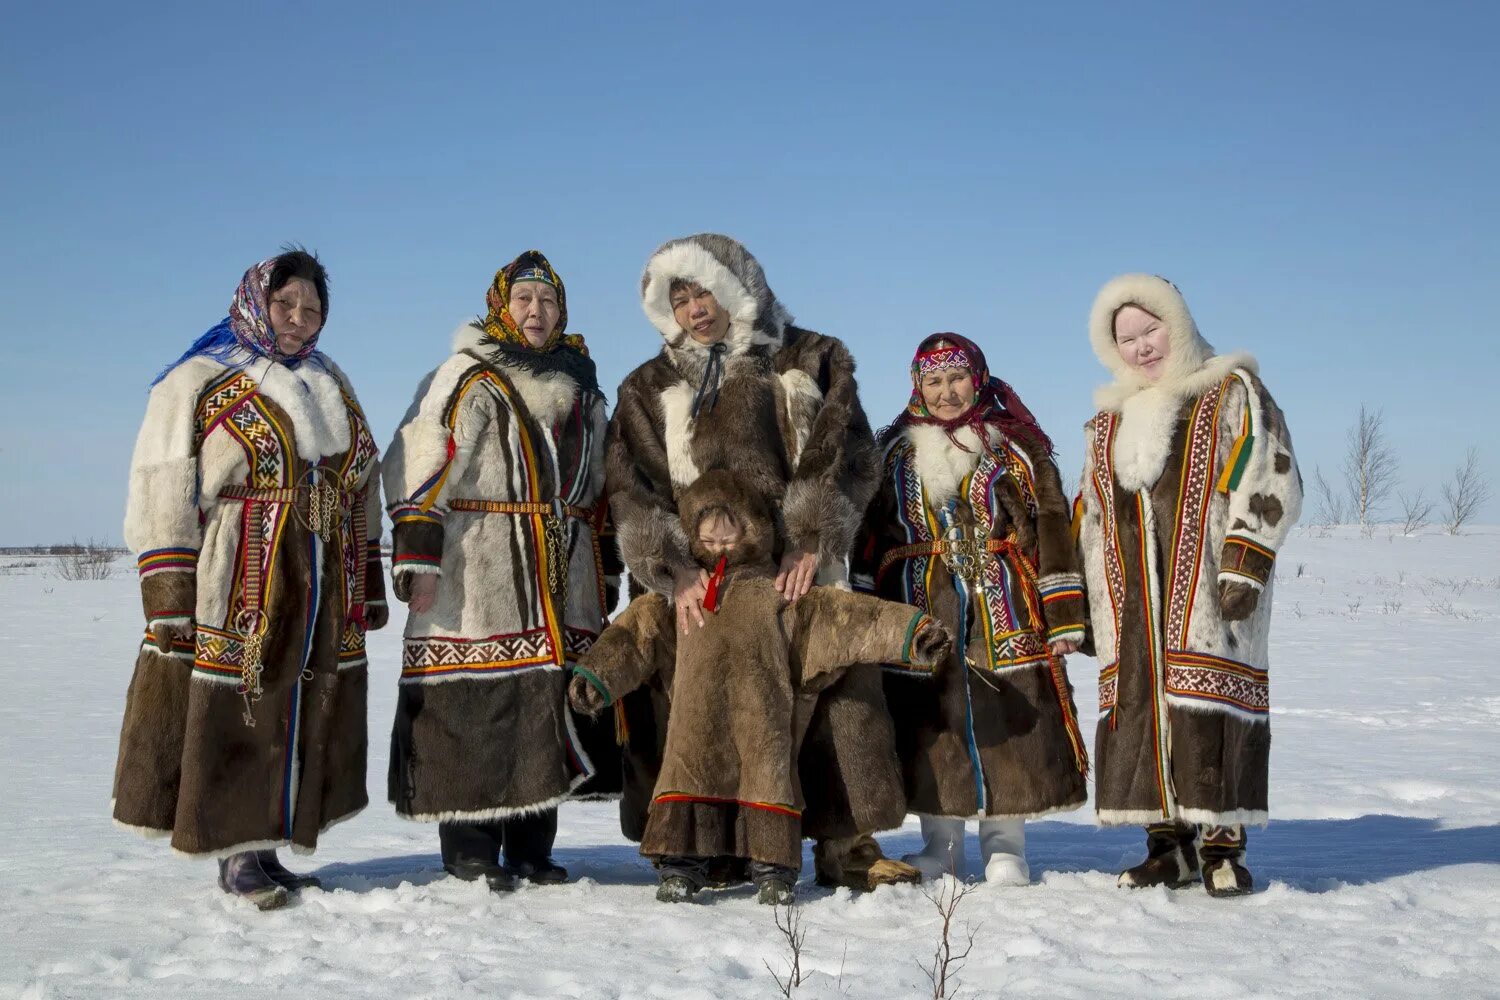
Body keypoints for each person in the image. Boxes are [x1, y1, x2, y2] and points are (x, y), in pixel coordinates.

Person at [606, 233, 920, 890]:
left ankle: (847, 848)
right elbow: (632, 486)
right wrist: (672, 567)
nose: (695, 307)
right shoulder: (650, 384)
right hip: (708, 581)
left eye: (704, 288)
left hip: (800, 567)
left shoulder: (809, 357)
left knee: (836, 697)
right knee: (707, 711)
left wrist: (813, 536)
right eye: (680, 297)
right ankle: (715, 847)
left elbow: (849, 454)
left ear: (739, 283)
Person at [114, 249, 386, 911]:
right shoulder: (198, 379)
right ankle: (236, 855)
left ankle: (267, 846)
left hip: (320, 571)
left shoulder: (330, 380)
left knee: (295, 704)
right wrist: (167, 584)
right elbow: (162, 480)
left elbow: (363, 476)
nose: (297, 319)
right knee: (240, 701)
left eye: (311, 309)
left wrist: (366, 572)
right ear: (255, 301)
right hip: (240, 567)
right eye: (285, 304)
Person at [569, 471, 952, 904]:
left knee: (768, 781)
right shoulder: (678, 598)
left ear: (755, 532)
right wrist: (595, 677)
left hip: (764, 722)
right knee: (685, 778)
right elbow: (634, 636)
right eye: (709, 543)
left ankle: (774, 870)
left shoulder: (782, 594)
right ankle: (679, 867)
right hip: (695, 724)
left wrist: (913, 633)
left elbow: (849, 618)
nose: (720, 551)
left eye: (729, 541)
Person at [382, 250, 620, 893]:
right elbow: (418, 458)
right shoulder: (469, 375)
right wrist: (419, 557)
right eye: (524, 300)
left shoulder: (582, 387)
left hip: (561, 573)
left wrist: (605, 571)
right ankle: (470, 845)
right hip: (476, 561)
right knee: (475, 706)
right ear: (500, 306)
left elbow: (599, 488)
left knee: (545, 703)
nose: (536, 311)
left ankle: (531, 847)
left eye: (548, 301)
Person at [1076, 274, 1302, 897]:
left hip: (1212, 594)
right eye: (1127, 338)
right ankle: (1167, 849)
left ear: (1178, 324)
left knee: (1210, 707)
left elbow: (1272, 471)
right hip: (1132, 605)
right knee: (1146, 712)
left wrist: (1245, 561)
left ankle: (1222, 849)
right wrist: (1092, 607)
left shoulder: (1231, 392)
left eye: (1152, 329)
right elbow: (1090, 515)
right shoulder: (1107, 422)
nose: (1143, 347)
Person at [852, 334, 1089, 884]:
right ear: (917, 386)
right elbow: (867, 533)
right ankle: (941, 846)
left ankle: (1007, 847)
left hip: (1001, 600)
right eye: (932, 381)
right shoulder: (895, 452)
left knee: (1007, 717)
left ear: (978, 379)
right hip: (918, 604)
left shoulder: (1016, 447)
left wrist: (1062, 611)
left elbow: (1050, 523)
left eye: (956, 378)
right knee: (931, 724)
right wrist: (864, 611)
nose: (946, 392)